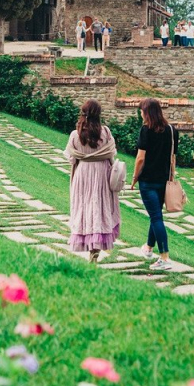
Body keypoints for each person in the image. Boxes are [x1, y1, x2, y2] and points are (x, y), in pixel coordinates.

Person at [64, 100, 121, 263]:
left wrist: (84, 155)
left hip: (83, 174)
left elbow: (71, 158)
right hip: (101, 173)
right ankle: (95, 249)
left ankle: (89, 244)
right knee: (99, 206)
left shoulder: (75, 134)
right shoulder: (106, 132)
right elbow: (111, 155)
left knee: (84, 208)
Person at [130, 98, 178, 271]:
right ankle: (149, 248)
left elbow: (140, 158)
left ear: (147, 112)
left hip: (148, 181)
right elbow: (173, 157)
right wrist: (171, 175)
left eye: (142, 111)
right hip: (164, 181)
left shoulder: (146, 130)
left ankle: (164, 257)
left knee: (156, 217)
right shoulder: (172, 130)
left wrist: (135, 177)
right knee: (155, 215)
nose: (141, 114)